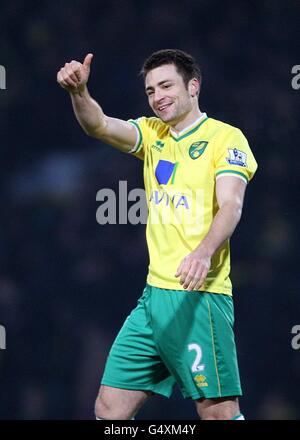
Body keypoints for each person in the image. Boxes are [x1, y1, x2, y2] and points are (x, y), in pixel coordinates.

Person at [57, 49, 257, 420]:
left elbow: (231, 204)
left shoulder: (226, 139)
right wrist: (78, 93)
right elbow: (97, 125)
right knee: (110, 409)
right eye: (150, 91)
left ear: (193, 86)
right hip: (153, 300)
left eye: (166, 85)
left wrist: (203, 252)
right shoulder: (153, 134)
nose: (157, 96)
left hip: (199, 298)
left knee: (218, 412)